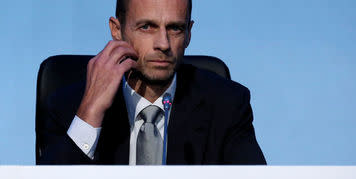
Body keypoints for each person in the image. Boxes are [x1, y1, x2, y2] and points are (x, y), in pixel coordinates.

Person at [37, 0, 266, 165]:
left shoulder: (227, 104)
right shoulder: (66, 105)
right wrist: (91, 112)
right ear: (117, 30)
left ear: (188, 34)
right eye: (147, 27)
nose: (163, 44)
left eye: (175, 28)